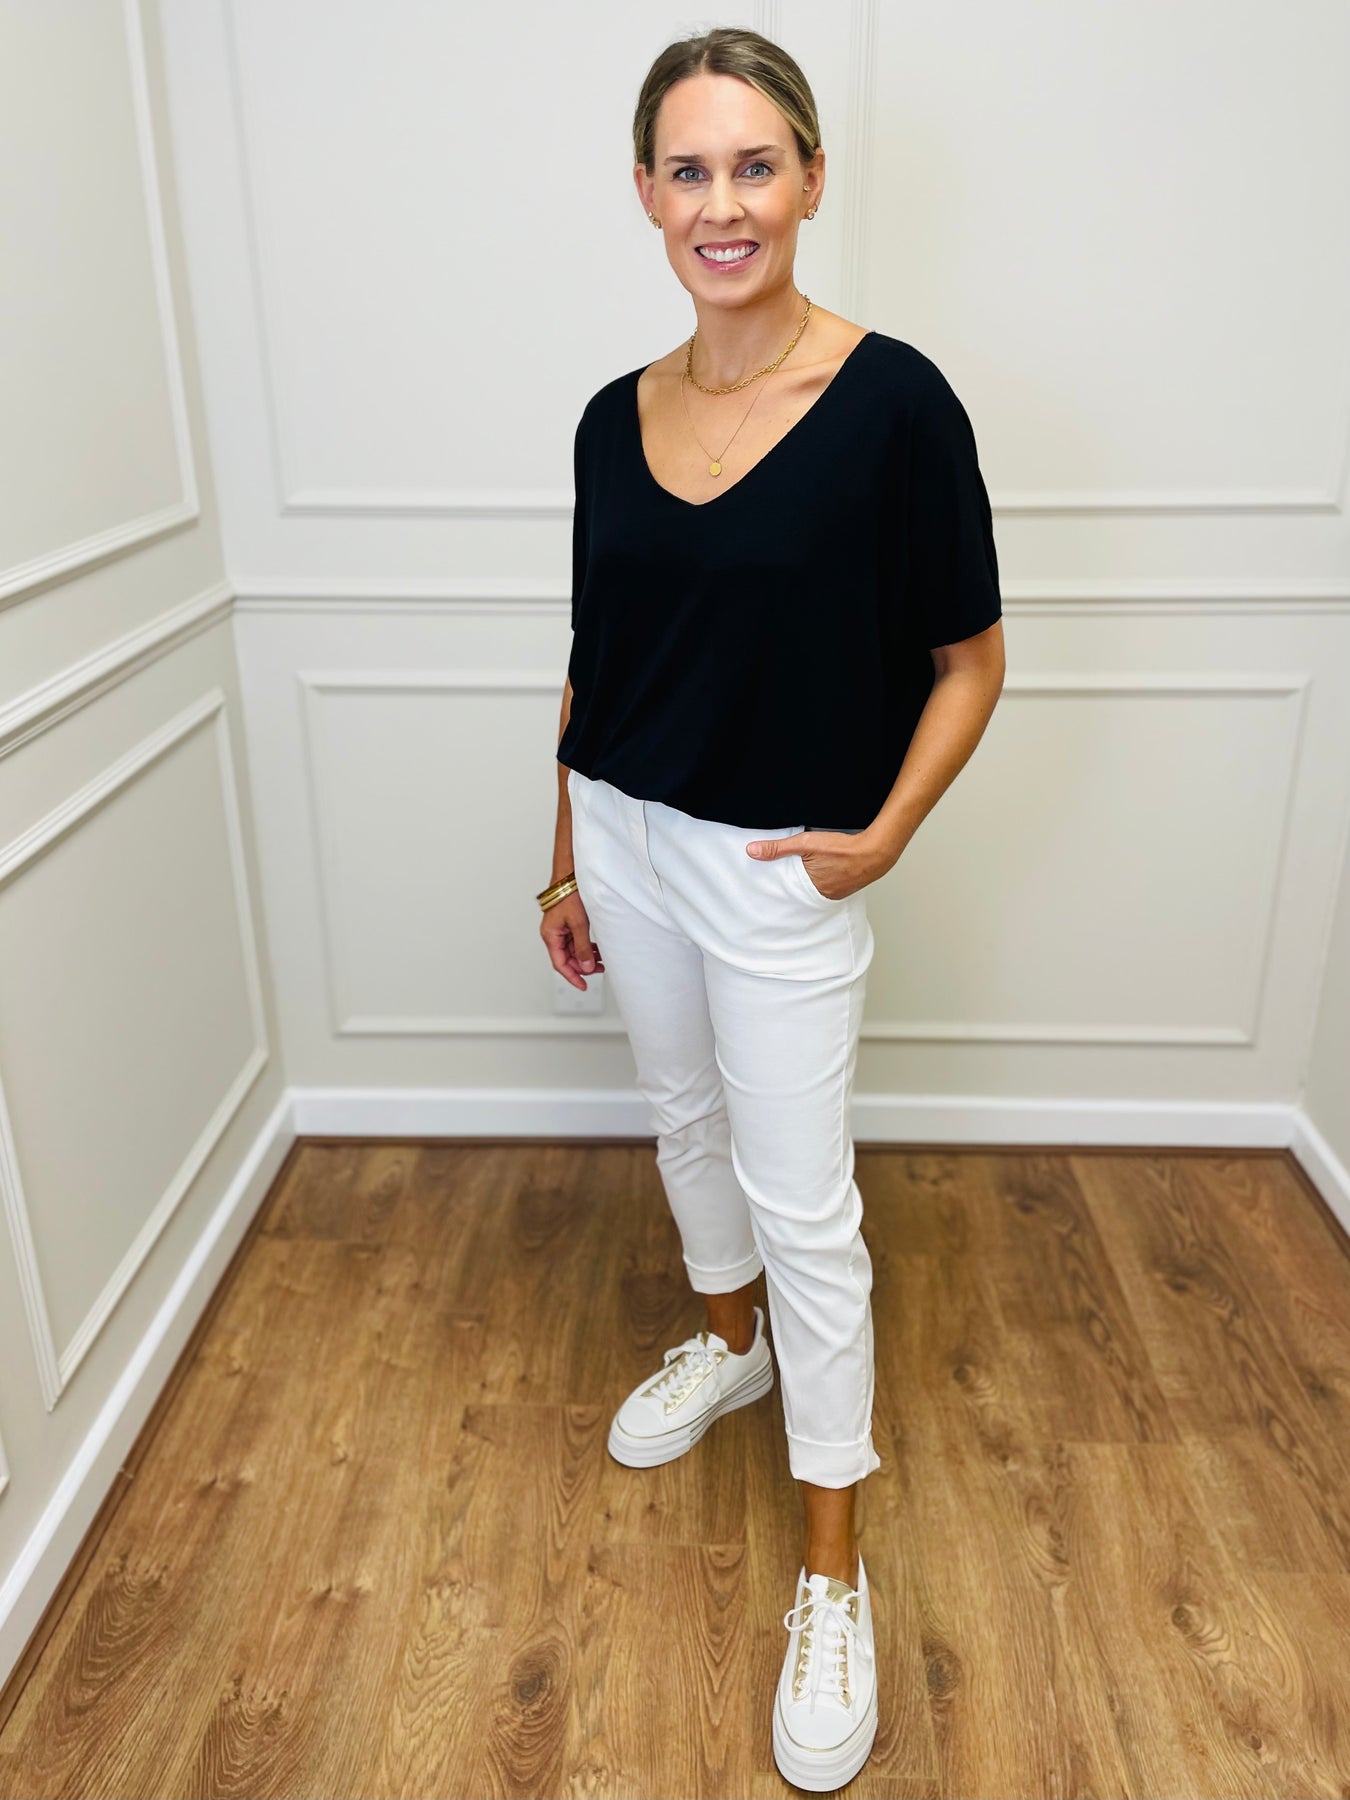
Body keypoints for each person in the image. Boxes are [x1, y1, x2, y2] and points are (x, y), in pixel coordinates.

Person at [537, 25, 1004, 1792]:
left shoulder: (893, 405)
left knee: (806, 1208)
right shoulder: (610, 417)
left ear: (809, 177)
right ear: (643, 192)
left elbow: (970, 659)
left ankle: (830, 1572)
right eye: (688, 169)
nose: (720, 203)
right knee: (680, 1116)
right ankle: (723, 1349)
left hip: (771, 868)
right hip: (627, 834)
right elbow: (590, 663)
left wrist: (882, 834)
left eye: (753, 165)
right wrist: (567, 850)